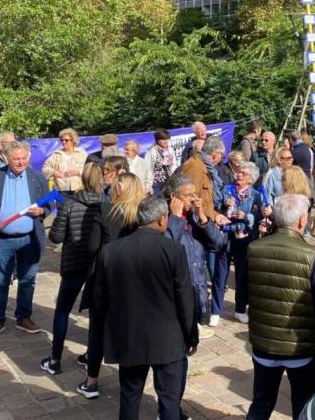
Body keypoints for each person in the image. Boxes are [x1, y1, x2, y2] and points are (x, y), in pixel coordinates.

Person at [94, 196, 197, 420]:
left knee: (129, 397)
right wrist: (191, 336)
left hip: (129, 336)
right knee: (169, 401)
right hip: (167, 338)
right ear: (162, 220)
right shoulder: (173, 250)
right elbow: (185, 299)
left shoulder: (111, 251)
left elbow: (100, 299)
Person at [246, 194, 315, 420]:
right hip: (300, 349)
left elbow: (243, 293)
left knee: (261, 404)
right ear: (302, 221)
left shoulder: (254, 248)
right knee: (303, 408)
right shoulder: (311, 255)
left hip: (264, 344)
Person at [77, 173, 144, 399]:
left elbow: (92, 246)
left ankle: (91, 381)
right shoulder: (142, 216)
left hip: (104, 278)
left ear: (118, 189)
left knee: (97, 331)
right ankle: (130, 384)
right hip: (133, 280)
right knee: (129, 330)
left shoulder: (105, 211)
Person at [0, 141, 49, 340]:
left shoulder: (37, 178)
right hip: (2, 240)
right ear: (6, 158)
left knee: (27, 281)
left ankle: (24, 317)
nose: (20, 162)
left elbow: (49, 205)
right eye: (16, 159)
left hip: (29, 239)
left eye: (24, 158)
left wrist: (42, 211)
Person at [40, 162, 104, 375]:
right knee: (96, 316)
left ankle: (55, 359)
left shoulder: (69, 204)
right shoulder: (107, 203)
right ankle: (90, 357)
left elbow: (56, 236)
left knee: (62, 310)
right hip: (97, 266)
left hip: (74, 263)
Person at [163, 174, 226, 340]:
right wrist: (175, 218)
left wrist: (203, 217)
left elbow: (217, 244)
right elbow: (165, 249)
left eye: (195, 194)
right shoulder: (163, 219)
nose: (194, 199)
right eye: (188, 195)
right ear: (173, 197)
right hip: (176, 292)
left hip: (196, 288)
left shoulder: (194, 217)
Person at [214, 162, 266, 325]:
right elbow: (216, 207)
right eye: (239, 172)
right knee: (220, 273)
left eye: (243, 173)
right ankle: (215, 311)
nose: (239, 175)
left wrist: (246, 216)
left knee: (241, 275)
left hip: (244, 238)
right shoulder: (227, 189)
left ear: (251, 179)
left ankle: (240, 309)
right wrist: (223, 205)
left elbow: (260, 217)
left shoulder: (256, 195)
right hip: (226, 235)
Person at [180, 136, 227, 223]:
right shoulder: (194, 168)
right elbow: (190, 202)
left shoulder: (205, 167)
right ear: (216, 154)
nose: (221, 159)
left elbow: (204, 201)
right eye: (222, 155)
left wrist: (215, 215)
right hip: (195, 224)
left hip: (204, 220)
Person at [42, 128, 87, 195]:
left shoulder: (82, 154)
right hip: (62, 191)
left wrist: (78, 172)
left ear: (73, 140)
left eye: (66, 140)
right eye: (62, 140)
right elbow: (44, 168)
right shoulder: (56, 155)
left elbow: (90, 171)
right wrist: (54, 172)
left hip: (79, 190)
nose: (63, 142)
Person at [145, 129, 178, 195]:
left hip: (169, 180)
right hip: (156, 183)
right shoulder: (151, 151)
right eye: (163, 139)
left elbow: (174, 164)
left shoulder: (170, 149)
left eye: (167, 139)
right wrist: (148, 186)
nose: (166, 141)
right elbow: (148, 168)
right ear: (157, 140)